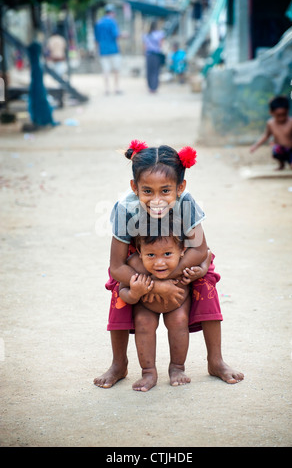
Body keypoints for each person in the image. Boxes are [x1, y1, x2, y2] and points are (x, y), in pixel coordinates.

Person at [93, 141, 244, 389]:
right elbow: (117, 266)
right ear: (134, 187)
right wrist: (153, 285)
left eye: (165, 191)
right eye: (147, 191)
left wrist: (169, 276)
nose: (157, 200)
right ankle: (118, 364)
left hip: (181, 260)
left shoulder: (186, 204)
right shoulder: (126, 209)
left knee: (206, 282)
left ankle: (215, 360)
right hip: (139, 264)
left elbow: (200, 249)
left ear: (180, 187)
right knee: (118, 292)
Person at [119, 230, 212, 392]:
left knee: (179, 321)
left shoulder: (187, 259)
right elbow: (122, 290)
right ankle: (148, 372)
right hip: (146, 306)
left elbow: (207, 254)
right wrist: (134, 293)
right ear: (140, 252)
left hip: (178, 304)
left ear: (182, 250)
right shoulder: (134, 264)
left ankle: (177, 367)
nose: (159, 263)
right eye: (151, 255)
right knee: (143, 323)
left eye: (167, 254)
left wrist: (202, 270)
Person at [250, 95, 292, 170]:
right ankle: (281, 164)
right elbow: (266, 136)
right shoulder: (270, 123)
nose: (282, 118)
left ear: (288, 111)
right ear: (271, 112)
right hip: (280, 149)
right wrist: (255, 146)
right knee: (276, 148)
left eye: (284, 114)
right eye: (278, 115)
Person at [94, 4, 122, 95]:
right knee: (116, 70)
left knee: (105, 71)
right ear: (112, 13)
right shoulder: (112, 22)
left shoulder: (99, 23)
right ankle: (116, 88)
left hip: (103, 50)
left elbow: (96, 39)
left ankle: (107, 89)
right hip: (113, 49)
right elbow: (116, 35)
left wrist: (97, 50)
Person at [143, 21, 165, 93]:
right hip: (156, 55)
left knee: (149, 71)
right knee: (156, 71)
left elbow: (145, 47)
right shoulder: (160, 34)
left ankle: (150, 87)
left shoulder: (146, 35)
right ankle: (154, 87)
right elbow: (161, 45)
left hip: (149, 55)